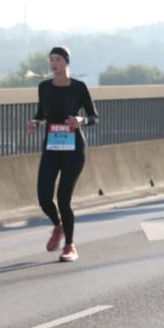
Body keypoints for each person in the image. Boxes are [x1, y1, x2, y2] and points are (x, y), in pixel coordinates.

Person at [26, 46, 99, 262]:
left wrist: (81, 121)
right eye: (51, 60)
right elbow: (41, 114)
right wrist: (35, 122)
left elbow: (94, 116)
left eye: (58, 59)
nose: (53, 63)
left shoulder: (79, 87)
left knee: (63, 198)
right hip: (51, 147)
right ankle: (58, 227)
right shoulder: (44, 87)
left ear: (66, 62)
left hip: (74, 149)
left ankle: (69, 245)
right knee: (43, 197)